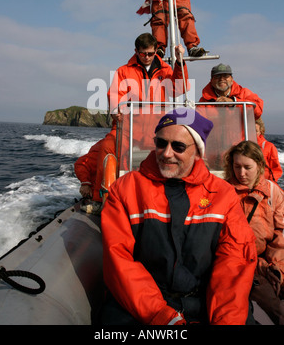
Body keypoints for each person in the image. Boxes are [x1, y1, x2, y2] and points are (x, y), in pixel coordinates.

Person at [101, 107, 257, 325]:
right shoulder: (125, 190)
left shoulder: (224, 196)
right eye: (161, 143)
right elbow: (118, 258)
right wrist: (163, 317)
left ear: (198, 151)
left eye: (179, 146)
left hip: (204, 304)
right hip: (141, 307)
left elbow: (233, 265)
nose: (166, 153)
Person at [87, 33, 189, 202]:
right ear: (136, 51)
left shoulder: (166, 70)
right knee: (108, 146)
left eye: (150, 53)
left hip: (157, 128)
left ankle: (168, 195)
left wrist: (179, 62)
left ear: (156, 50)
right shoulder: (123, 71)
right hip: (129, 127)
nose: (147, 57)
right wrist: (115, 110)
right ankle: (102, 199)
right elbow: (115, 94)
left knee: (177, 148)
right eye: (143, 53)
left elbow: (179, 88)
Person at [223, 140, 284, 325]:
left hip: (268, 262)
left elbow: (278, 236)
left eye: (247, 167)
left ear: (259, 165)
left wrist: (276, 269)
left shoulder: (274, 193)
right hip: (237, 264)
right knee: (276, 309)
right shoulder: (223, 192)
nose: (241, 173)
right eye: (237, 166)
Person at [199, 63, 264, 119]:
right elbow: (199, 123)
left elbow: (258, 112)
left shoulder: (244, 93)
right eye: (217, 76)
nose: (221, 79)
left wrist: (234, 102)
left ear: (232, 79)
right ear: (211, 80)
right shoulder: (204, 101)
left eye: (226, 76)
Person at [255, 117, 283, 182]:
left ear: (261, 131)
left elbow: (276, 169)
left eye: (256, 131)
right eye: (250, 130)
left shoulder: (269, 147)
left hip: (264, 184)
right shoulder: (241, 146)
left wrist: (269, 183)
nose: (253, 132)